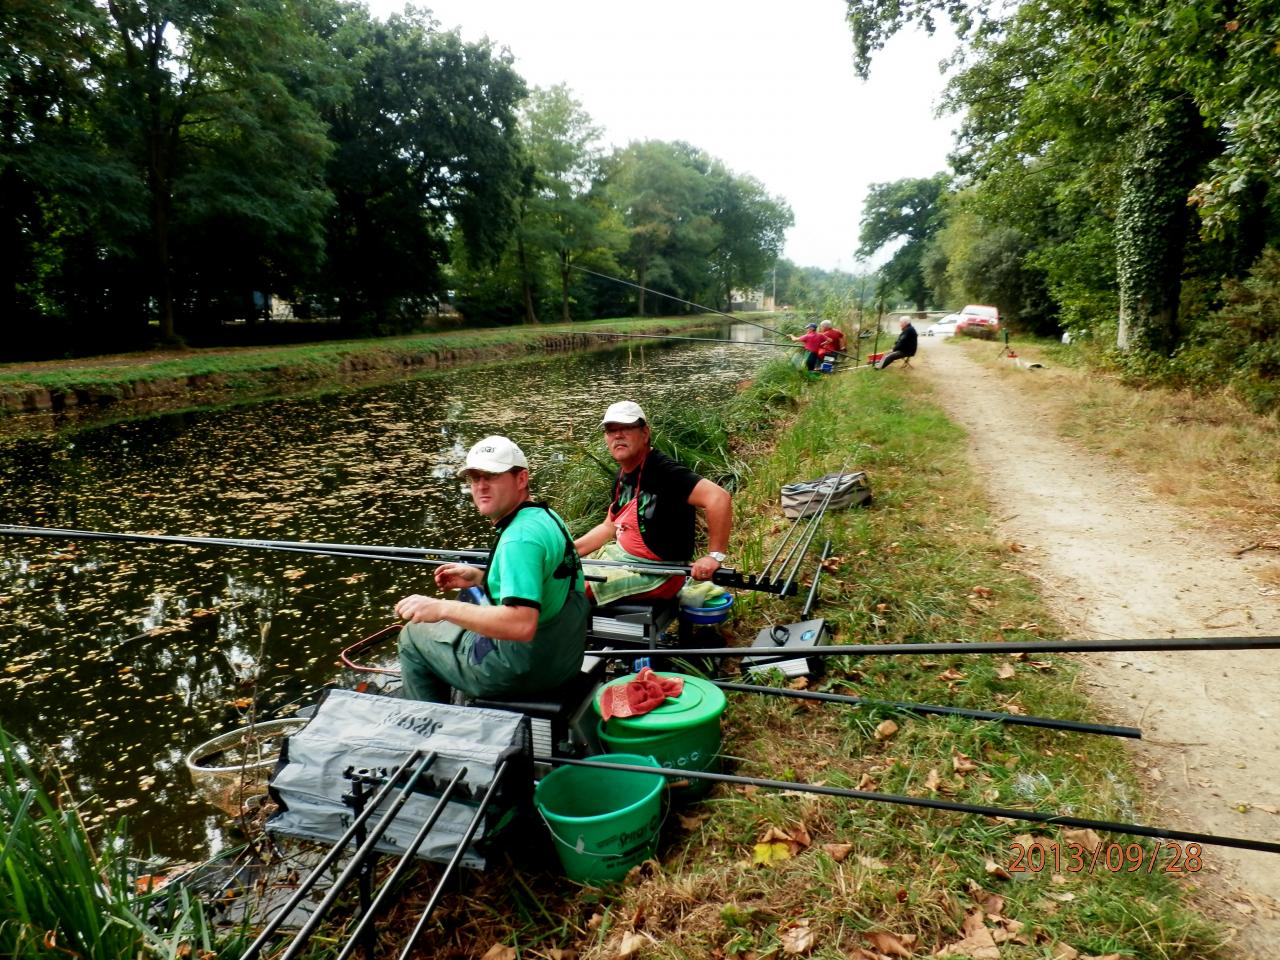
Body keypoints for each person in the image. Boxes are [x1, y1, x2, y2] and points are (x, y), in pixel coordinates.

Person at [396, 436, 588, 703]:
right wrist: (479, 578)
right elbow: (541, 584)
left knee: (412, 636)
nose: (481, 486)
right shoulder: (545, 516)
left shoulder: (518, 539)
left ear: (521, 479)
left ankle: (432, 735)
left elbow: (521, 624)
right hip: (563, 658)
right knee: (466, 609)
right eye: (474, 478)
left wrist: (440, 607)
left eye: (492, 476)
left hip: (523, 669)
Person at [573, 401, 732, 606]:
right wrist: (569, 552)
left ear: (645, 433)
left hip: (659, 574)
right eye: (611, 430)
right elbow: (609, 526)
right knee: (560, 576)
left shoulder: (665, 471)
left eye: (626, 428)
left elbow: (718, 498)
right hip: (623, 559)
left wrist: (714, 556)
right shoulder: (622, 474)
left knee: (573, 588)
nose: (618, 435)